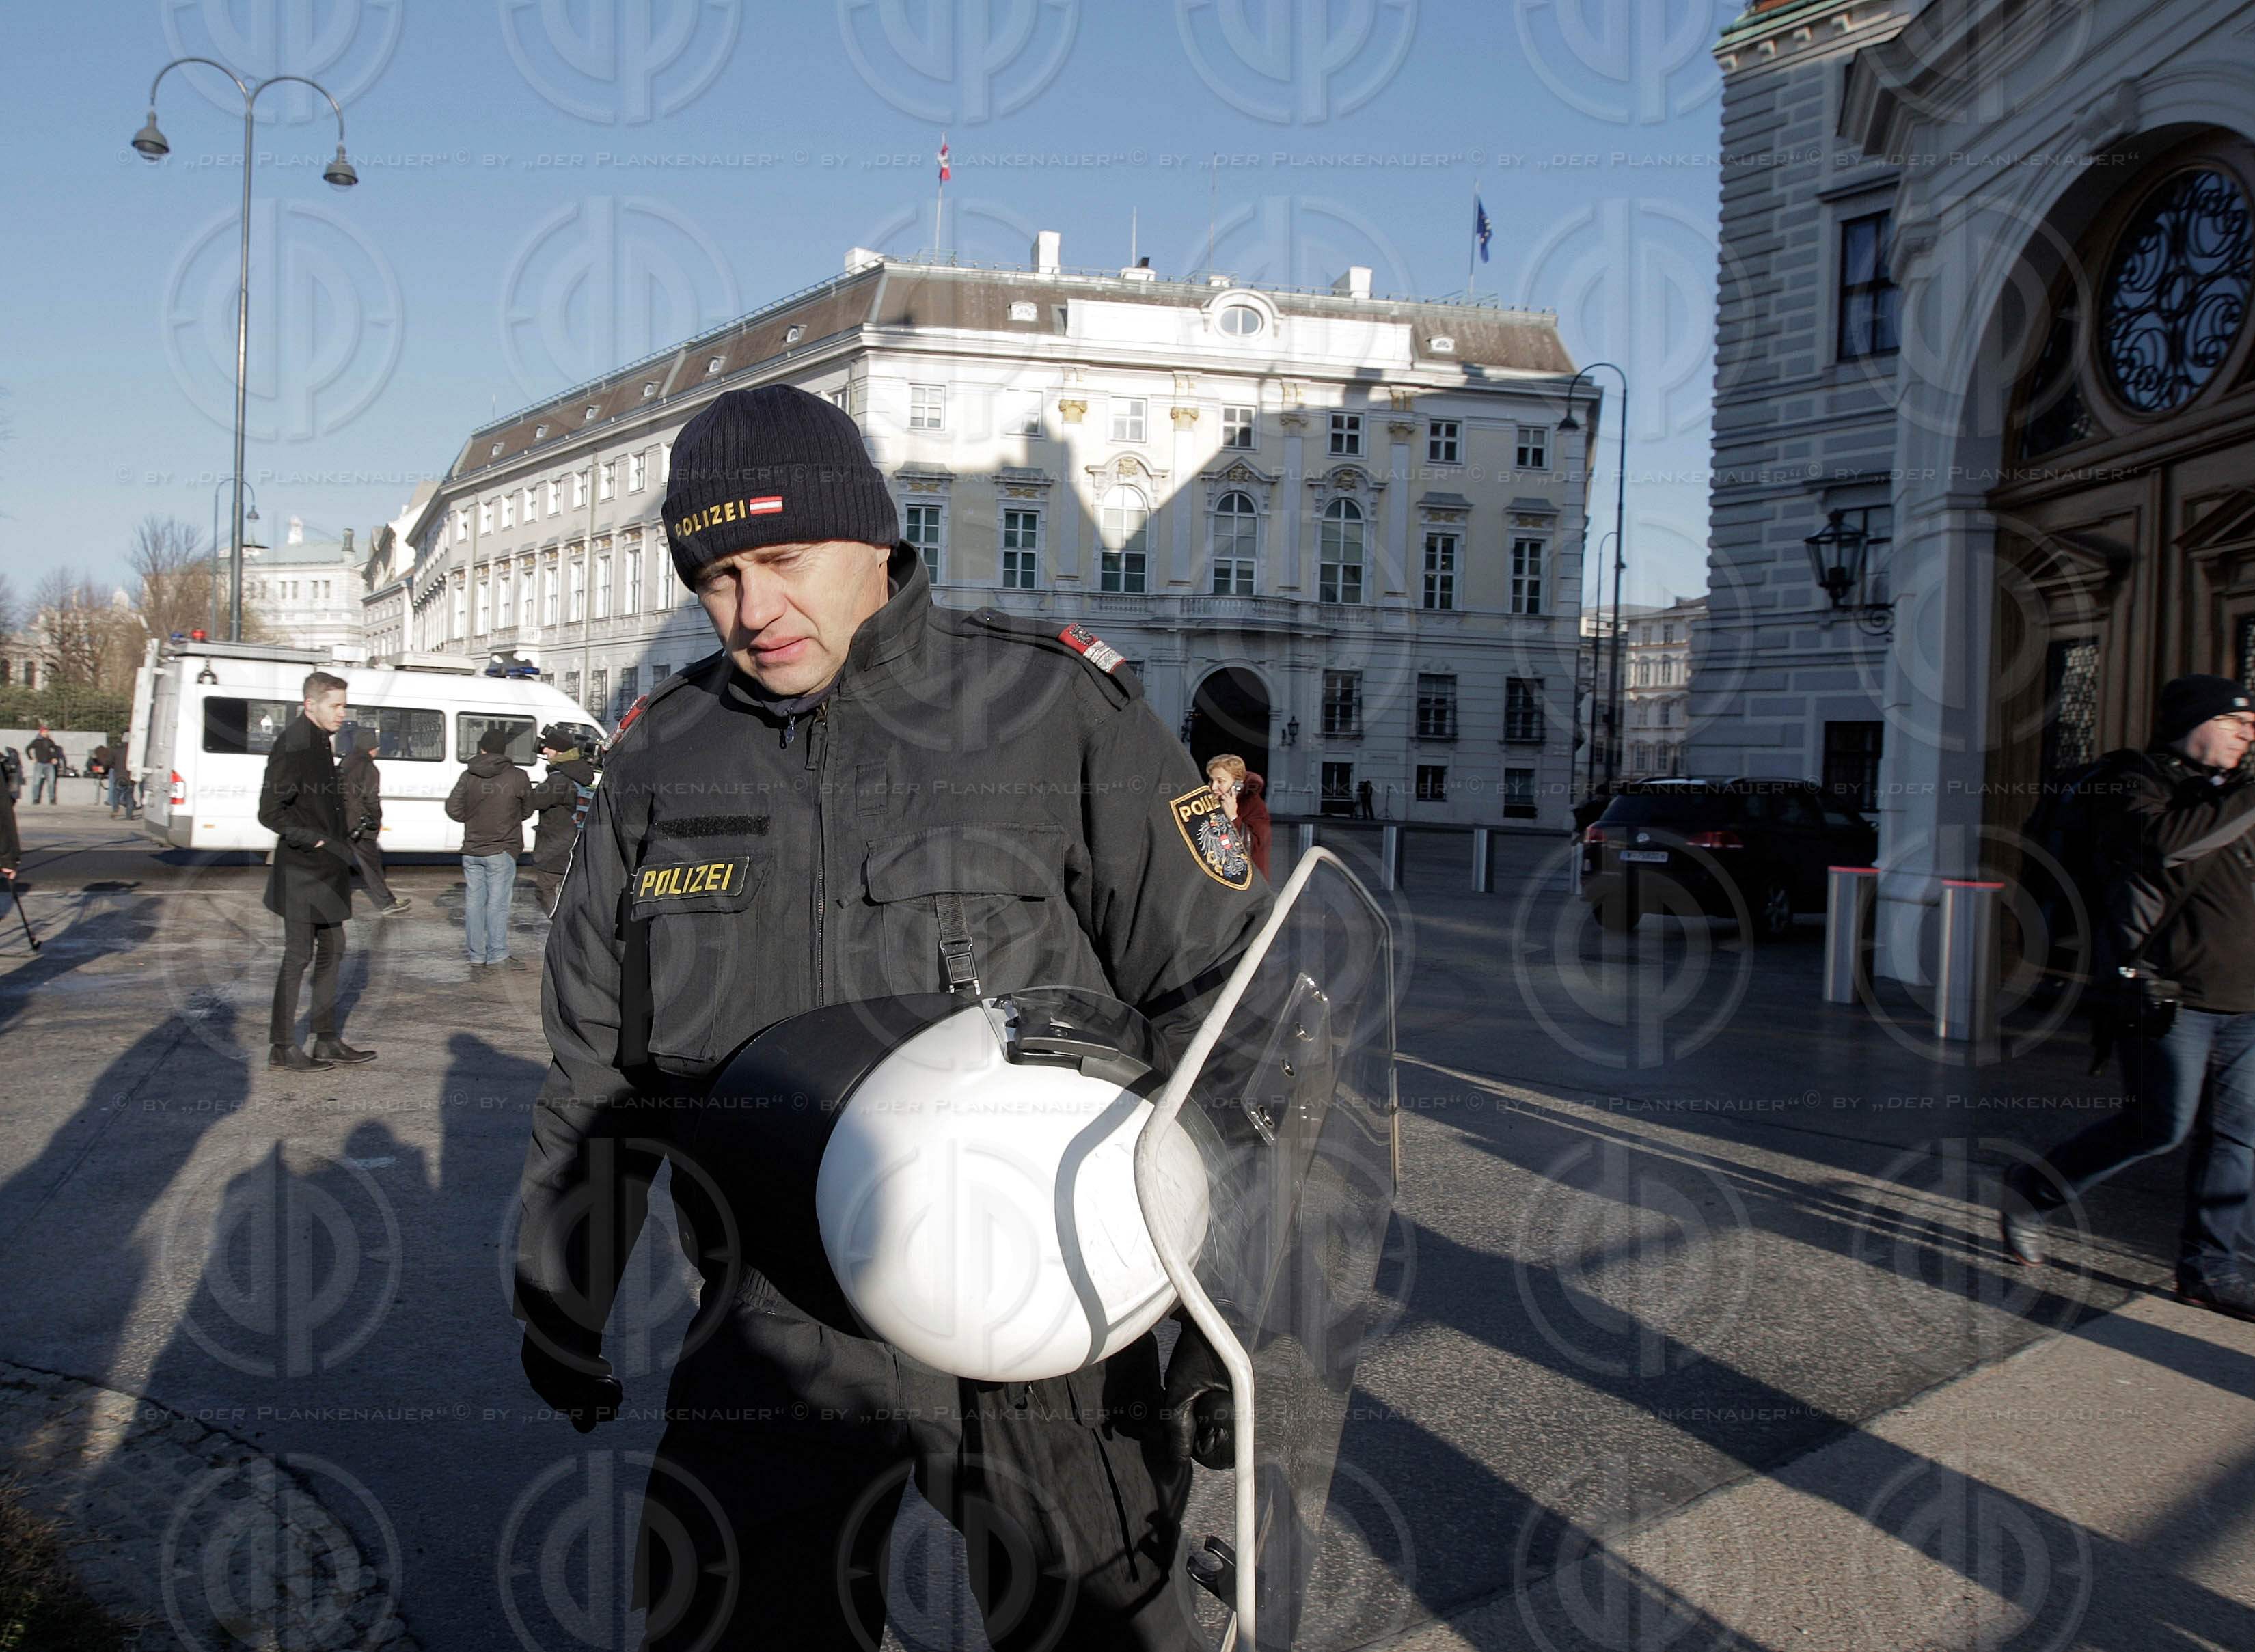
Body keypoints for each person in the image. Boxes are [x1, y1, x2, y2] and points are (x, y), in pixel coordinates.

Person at [512, 384, 1267, 1651]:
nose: (754, 610)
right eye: (717, 576)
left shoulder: (1051, 712)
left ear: (873, 536)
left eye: (783, 558)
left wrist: (1227, 1298)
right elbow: (599, 1065)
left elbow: (1225, 1016)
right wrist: (560, 1291)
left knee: (1098, 1635)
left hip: (1045, 1308)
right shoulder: (663, 753)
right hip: (778, 1320)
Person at [2001, 674, 2255, 1321]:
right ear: (2193, 725)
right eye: (2234, 720)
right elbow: (2163, 847)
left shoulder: (2238, 796)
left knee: (2238, 1137)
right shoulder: (2134, 785)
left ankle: (2211, 1270)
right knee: (2159, 1127)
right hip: (2169, 997)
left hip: (2247, 1000)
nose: (2248, 731)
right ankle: (2035, 1189)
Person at [259, 672, 377, 1071]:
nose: (344, 714)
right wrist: (318, 841)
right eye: (336, 706)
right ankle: (281, 1045)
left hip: (327, 870)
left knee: (334, 949)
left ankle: (326, 1039)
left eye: (345, 705)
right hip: (303, 870)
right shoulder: (294, 745)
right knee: (297, 956)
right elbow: (270, 813)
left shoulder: (318, 742)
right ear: (311, 704)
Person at [447, 725, 532, 969]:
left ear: (482, 749)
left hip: (472, 849)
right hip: (502, 849)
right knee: (498, 904)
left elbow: (453, 809)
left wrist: (473, 819)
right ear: (504, 751)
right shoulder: (518, 777)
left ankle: (476, 955)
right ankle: (497, 954)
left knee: (474, 903)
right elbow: (528, 809)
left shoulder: (468, 775)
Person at [334, 724, 411, 916]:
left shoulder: (346, 762)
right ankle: (387, 903)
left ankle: (327, 902)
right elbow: (371, 800)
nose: (377, 750)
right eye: (376, 747)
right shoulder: (369, 768)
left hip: (341, 820)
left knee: (337, 862)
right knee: (372, 866)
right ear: (371, 748)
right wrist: (376, 821)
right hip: (360, 824)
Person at [524, 724, 597, 916]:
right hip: (576, 844)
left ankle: (561, 927)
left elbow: (534, 800)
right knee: (570, 893)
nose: (545, 750)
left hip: (556, 847)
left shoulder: (559, 780)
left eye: (548, 746)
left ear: (558, 750)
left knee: (545, 890)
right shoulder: (581, 772)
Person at [1204, 752, 1271, 881]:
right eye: (1211, 780)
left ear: (1238, 785)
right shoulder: (1210, 803)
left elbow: (1257, 845)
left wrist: (1233, 818)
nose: (1213, 787)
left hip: (1245, 882)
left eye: (1220, 781)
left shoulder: (1253, 805)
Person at [26, 728, 60, 806]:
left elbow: (56, 749)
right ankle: (35, 799)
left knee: (51, 782)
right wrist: (31, 758)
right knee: (36, 782)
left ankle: (52, 799)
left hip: (49, 764)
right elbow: (27, 749)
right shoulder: (36, 741)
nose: (45, 734)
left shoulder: (50, 741)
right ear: (41, 733)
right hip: (39, 764)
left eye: (46, 732)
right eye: (44, 732)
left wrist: (55, 758)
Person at [107, 734, 136, 818]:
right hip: (131, 777)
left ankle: (115, 810)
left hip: (119, 776)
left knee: (116, 794)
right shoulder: (134, 752)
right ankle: (129, 815)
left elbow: (109, 762)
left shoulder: (116, 750)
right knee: (130, 796)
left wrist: (113, 766)